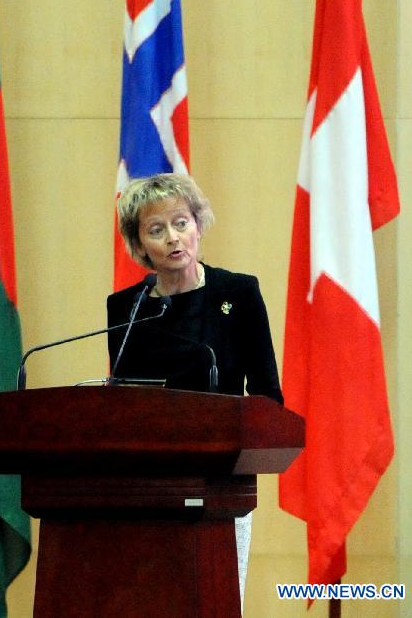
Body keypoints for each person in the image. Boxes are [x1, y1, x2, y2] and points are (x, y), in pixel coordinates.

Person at [107, 172, 283, 611]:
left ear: (198, 225)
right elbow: (125, 403)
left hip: (223, 481)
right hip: (149, 486)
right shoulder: (125, 309)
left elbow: (266, 394)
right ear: (140, 244)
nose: (172, 237)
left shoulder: (239, 293)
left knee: (219, 601)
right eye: (156, 229)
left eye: (181, 223)